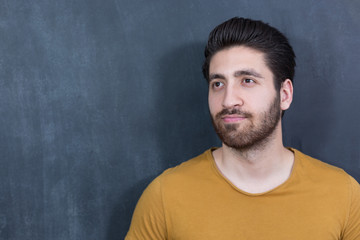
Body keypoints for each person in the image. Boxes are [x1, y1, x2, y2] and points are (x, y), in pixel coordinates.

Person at [125, 17, 360, 239]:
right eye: (218, 84)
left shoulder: (344, 195)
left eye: (247, 81)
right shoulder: (165, 196)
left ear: (285, 95)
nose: (228, 100)